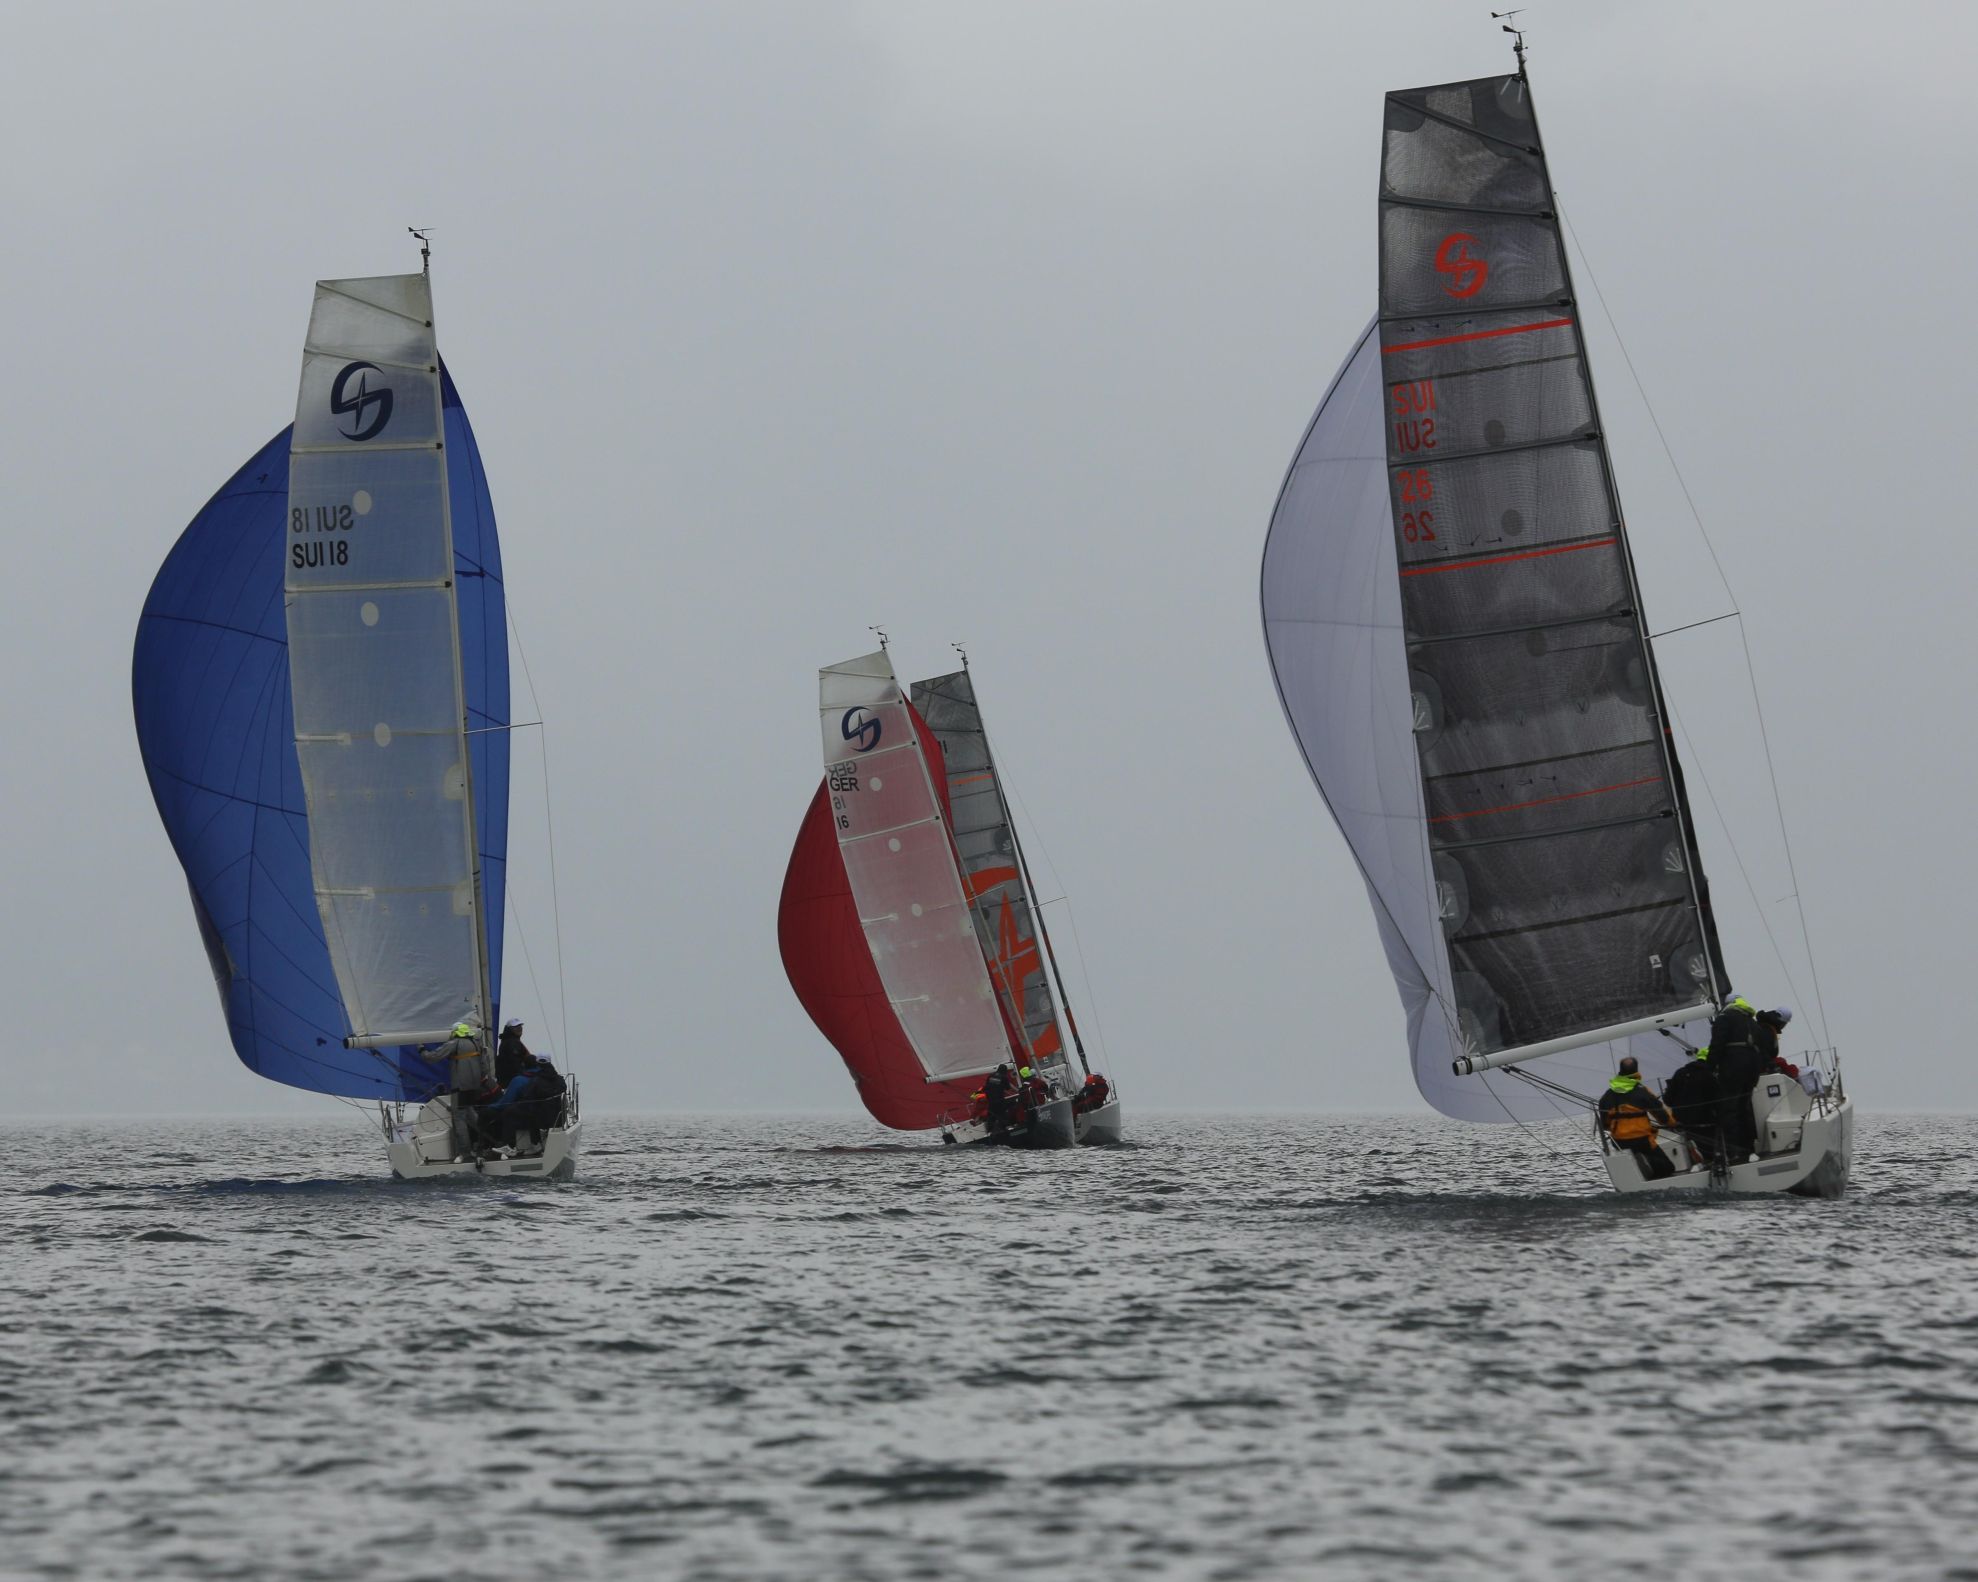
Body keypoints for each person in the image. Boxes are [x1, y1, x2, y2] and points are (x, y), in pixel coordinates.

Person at [1704, 996, 1765, 1163]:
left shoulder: (1725, 1018)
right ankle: (1750, 1149)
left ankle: (1735, 1152)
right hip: (1752, 1070)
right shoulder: (1752, 1022)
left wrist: (1708, 1068)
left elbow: (1717, 1044)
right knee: (1744, 1108)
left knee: (1729, 1110)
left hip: (1733, 1068)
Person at [1598, 1056, 1677, 1179]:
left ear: (1620, 1071)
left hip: (1619, 1142)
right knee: (1669, 1167)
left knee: (1648, 1161)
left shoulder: (1606, 1096)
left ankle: (1643, 1165)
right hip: (1643, 1141)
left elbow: (1605, 1125)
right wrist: (1673, 1124)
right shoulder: (1642, 1091)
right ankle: (1646, 1161)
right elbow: (1662, 1117)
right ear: (1636, 1071)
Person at [495, 1020, 534, 1086]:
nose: (519, 1028)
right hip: (513, 1080)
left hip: (509, 1079)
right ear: (509, 1029)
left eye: (520, 1026)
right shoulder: (512, 1043)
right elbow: (515, 1063)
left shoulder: (508, 1040)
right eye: (516, 1027)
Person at [981, 1063, 1016, 1132]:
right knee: (1003, 1113)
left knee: (991, 1115)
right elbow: (1008, 1088)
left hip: (990, 1100)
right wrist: (1018, 1090)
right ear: (1004, 1071)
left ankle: (989, 1130)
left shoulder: (991, 1076)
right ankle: (1007, 1127)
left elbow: (990, 1086)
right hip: (999, 1100)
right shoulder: (1004, 1077)